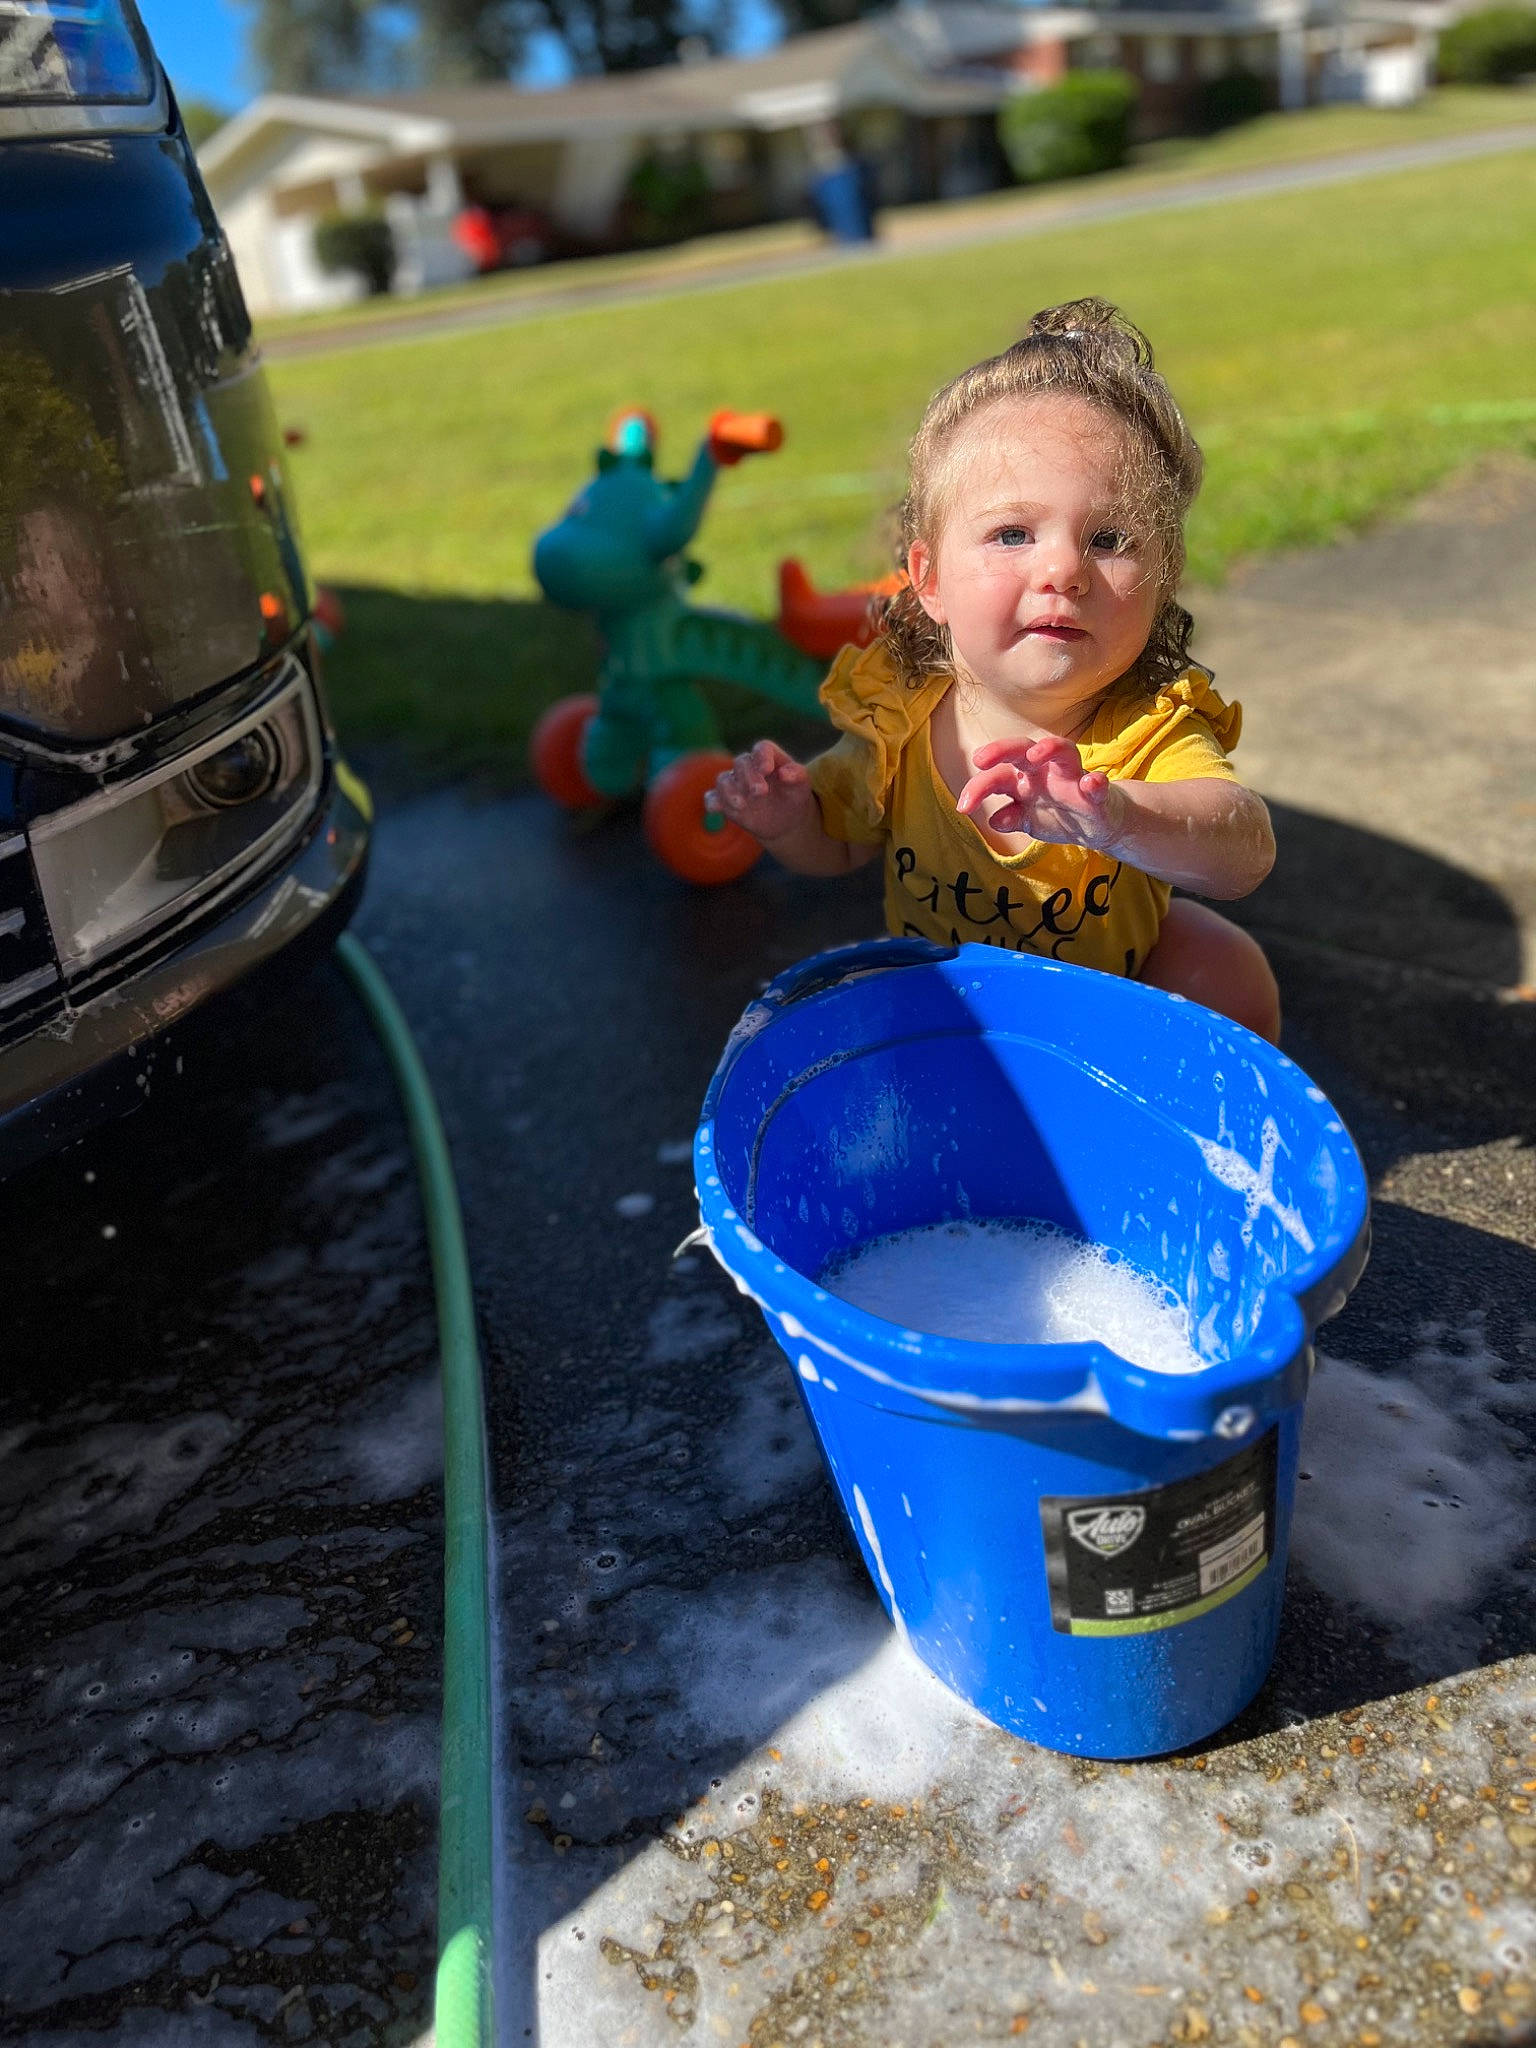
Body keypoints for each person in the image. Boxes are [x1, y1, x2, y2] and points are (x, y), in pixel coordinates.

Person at [705, 297, 1281, 1041]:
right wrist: (788, 822)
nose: (1064, 569)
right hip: (952, 1011)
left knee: (1224, 966)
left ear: (1162, 581)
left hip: (1111, 1016)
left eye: (1108, 538)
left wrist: (1121, 817)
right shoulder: (900, 721)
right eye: (1012, 533)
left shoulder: (1147, 730)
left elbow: (1245, 851)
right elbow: (838, 844)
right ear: (929, 580)